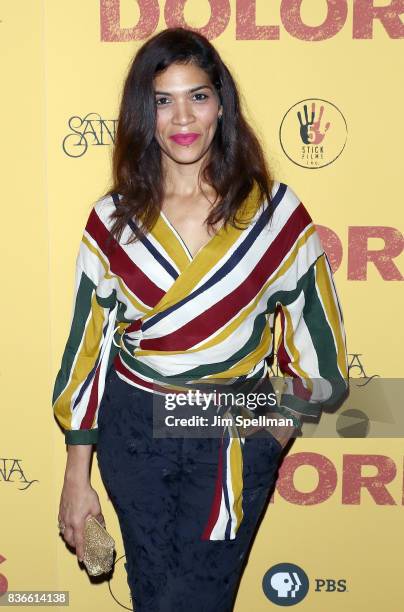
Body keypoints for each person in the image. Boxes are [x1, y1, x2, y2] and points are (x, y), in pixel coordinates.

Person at [53, 27, 349, 612]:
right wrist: (75, 475)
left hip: (232, 434)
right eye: (163, 100)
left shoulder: (274, 214)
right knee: (153, 596)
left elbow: (321, 354)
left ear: (221, 105)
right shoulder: (111, 218)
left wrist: (271, 433)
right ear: (146, 113)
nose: (182, 117)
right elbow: (87, 350)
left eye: (198, 96)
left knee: (199, 601)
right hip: (133, 430)